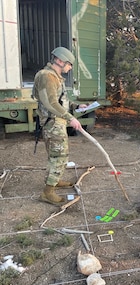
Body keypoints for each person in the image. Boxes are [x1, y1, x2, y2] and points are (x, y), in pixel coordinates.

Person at [33, 47, 87, 206]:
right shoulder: (47, 77)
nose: (70, 68)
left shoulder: (55, 77)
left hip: (58, 122)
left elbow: (62, 100)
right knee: (59, 156)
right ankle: (47, 192)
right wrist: (70, 118)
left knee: (57, 155)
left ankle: (54, 180)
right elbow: (50, 103)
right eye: (69, 64)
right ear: (60, 61)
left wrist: (78, 106)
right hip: (53, 123)